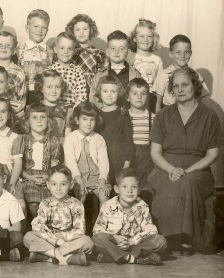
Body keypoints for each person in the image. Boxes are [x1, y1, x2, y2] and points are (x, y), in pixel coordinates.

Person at [145, 67, 223, 255]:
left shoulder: (210, 116)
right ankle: (174, 237)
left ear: (195, 86)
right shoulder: (163, 115)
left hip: (198, 171)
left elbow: (212, 155)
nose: (180, 89)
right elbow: (155, 153)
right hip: (165, 168)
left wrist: (188, 170)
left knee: (186, 182)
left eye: (185, 85)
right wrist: (172, 169)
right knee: (174, 183)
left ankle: (185, 238)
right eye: (176, 86)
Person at [92, 168, 167, 265]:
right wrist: (116, 238)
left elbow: (151, 230)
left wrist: (132, 241)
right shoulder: (108, 206)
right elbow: (97, 230)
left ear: (139, 189)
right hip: (115, 245)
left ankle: (117, 257)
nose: (130, 191)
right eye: (124, 187)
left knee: (160, 241)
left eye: (134, 187)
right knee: (96, 239)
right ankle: (135, 259)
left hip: (136, 246)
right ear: (116, 189)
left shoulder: (142, 206)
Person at [24, 165, 93, 266]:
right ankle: (66, 258)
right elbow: (38, 226)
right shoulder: (45, 204)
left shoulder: (77, 204)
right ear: (48, 185)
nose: (58, 188)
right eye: (54, 184)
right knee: (28, 237)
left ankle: (48, 256)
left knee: (88, 241)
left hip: (67, 242)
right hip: (49, 240)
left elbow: (80, 230)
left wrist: (62, 239)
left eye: (63, 184)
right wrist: (54, 240)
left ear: (71, 184)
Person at [22, 103, 63, 220]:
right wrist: (31, 178)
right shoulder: (23, 140)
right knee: (34, 203)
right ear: (28, 121)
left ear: (48, 121)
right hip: (29, 178)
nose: (39, 121)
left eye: (42, 117)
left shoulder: (54, 141)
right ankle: (38, 225)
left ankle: (51, 226)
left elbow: (55, 165)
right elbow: (19, 166)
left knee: (51, 202)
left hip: (47, 177)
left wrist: (49, 178)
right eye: (34, 117)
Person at [64, 102, 110, 207]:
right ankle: (78, 222)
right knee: (81, 195)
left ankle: (102, 222)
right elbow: (70, 162)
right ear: (77, 120)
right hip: (77, 176)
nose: (88, 123)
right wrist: (79, 181)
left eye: (92, 120)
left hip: (95, 176)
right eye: (84, 119)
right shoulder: (71, 138)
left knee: (104, 196)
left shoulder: (98, 138)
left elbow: (104, 162)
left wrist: (102, 180)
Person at [153, 35, 210, 112]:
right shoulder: (163, 76)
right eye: (178, 52)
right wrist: (158, 122)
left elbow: (204, 97)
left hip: (191, 114)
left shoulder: (196, 75)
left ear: (190, 53)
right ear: (171, 54)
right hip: (170, 115)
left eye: (186, 52)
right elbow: (157, 103)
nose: (182, 56)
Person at [95, 75, 134, 185]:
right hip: (99, 160)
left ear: (119, 93)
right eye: (105, 91)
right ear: (99, 92)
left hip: (118, 160)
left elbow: (128, 140)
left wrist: (126, 164)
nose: (109, 95)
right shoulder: (96, 114)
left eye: (113, 91)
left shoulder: (123, 114)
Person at [90, 30, 141, 107]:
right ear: (107, 51)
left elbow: (141, 96)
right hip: (106, 116)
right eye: (113, 48)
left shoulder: (136, 74)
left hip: (128, 115)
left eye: (121, 48)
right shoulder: (99, 75)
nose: (117, 52)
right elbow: (93, 99)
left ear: (128, 52)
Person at [17, 9, 54, 104]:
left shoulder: (50, 51)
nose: (39, 31)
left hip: (44, 94)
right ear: (27, 28)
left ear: (47, 30)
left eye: (44, 27)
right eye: (36, 26)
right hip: (24, 93)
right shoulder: (19, 50)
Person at [65, 14, 106, 92]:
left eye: (85, 29)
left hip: (93, 90)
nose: (81, 32)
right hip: (73, 90)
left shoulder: (98, 53)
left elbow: (102, 75)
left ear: (90, 30)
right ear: (72, 32)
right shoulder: (69, 53)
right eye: (77, 30)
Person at [126, 78, 154, 191]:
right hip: (128, 157)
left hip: (146, 158)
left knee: (144, 188)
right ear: (127, 97)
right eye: (134, 93)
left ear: (147, 97)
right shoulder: (124, 116)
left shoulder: (153, 117)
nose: (139, 97)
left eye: (143, 94)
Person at [129, 18, 162, 111]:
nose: (145, 40)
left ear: (154, 38)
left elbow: (159, 84)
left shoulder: (157, 60)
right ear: (134, 38)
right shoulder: (129, 57)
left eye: (149, 36)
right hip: (133, 99)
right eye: (141, 36)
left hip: (151, 100)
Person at [47, 32, 87, 108]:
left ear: (74, 51)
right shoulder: (49, 70)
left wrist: (74, 111)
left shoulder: (77, 71)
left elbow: (81, 97)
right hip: (52, 108)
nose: (65, 52)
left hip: (71, 109)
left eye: (69, 49)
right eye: (62, 48)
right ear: (55, 49)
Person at [34, 69, 72, 141]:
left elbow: (68, 139)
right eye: (49, 87)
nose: (54, 91)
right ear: (41, 88)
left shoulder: (67, 110)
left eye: (57, 87)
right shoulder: (35, 109)